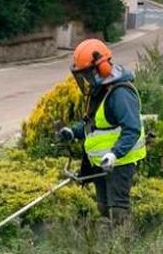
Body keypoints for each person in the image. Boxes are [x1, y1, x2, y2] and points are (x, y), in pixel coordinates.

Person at [57, 38, 146, 222]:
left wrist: (115, 154)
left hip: (120, 162)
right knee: (104, 208)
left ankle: (124, 247)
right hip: (101, 162)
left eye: (87, 74)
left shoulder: (120, 93)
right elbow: (95, 124)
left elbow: (132, 128)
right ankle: (108, 247)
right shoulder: (102, 90)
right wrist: (74, 132)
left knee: (118, 210)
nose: (86, 80)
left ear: (102, 67)